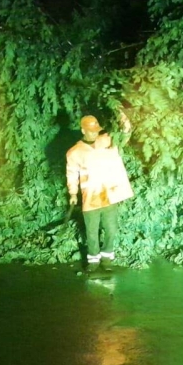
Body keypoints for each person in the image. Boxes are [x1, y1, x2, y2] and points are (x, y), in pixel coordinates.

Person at [66, 113, 134, 274]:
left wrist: (121, 114)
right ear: (83, 130)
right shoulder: (74, 152)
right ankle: (93, 260)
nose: (94, 133)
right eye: (90, 130)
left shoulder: (107, 141)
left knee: (111, 228)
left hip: (109, 194)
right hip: (90, 196)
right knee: (91, 231)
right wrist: (73, 193)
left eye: (96, 129)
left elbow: (126, 132)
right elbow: (71, 173)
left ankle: (107, 258)